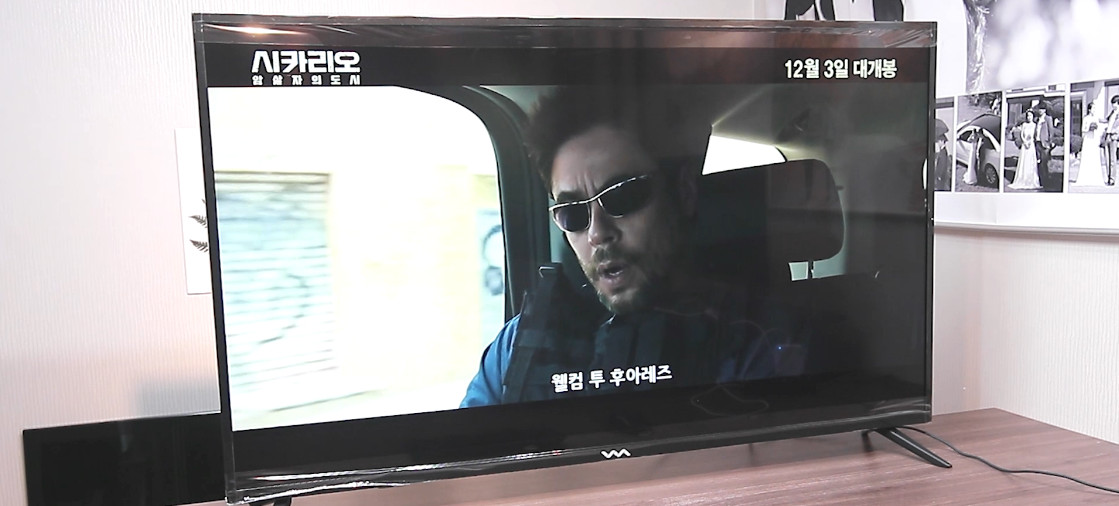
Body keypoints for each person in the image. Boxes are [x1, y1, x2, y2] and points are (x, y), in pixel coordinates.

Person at [460, 87, 781, 407]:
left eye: (623, 196)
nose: (597, 234)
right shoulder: (518, 347)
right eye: (573, 213)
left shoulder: (763, 342)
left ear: (684, 192)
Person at [1008, 110, 1041, 190]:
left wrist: (1030, 142)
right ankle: (1022, 178)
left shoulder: (1034, 125)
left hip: (1031, 145)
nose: (1029, 117)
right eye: (1028, 116)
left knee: (1030, 162)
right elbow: (1022, 135)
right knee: (1024, 161)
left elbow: (1035, 135)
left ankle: (1031, 180)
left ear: (1033, 116)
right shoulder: (1024, 125)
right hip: (1024, 145)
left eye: (1030, 116)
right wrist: (1025, 142)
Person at [1075, 101, 1106, 187]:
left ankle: (1095, 177)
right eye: (1093, 108)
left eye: (1095, 108)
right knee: (1087, 156)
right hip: (1088, 139)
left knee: (1094, 157)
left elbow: (1099, 129)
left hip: (1094, 139)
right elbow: (1083, 130)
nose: (1094, 110)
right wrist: (1089, 128)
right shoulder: (1086, 118)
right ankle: (1085, 177)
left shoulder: (1096, 118)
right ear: (1089, 109)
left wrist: (1096, 129)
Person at [934, 119, 951, 191]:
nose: (938, 143)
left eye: (939, 141)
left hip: (941, 176)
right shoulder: (943, 151)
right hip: (941, 176)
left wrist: (939, 175)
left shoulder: (943, 152)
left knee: (940, 187)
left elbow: (942, 164)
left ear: (942, 141)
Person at [1105, 95, 1119, 185]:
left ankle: (1112, 179)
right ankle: (1109, 176)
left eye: (1115, 103)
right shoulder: (1112, 113)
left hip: (1114, 136)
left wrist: (1116, 134)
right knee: (1107, 158)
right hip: (1108, 135)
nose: (1113, 105)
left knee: (1113, 159)